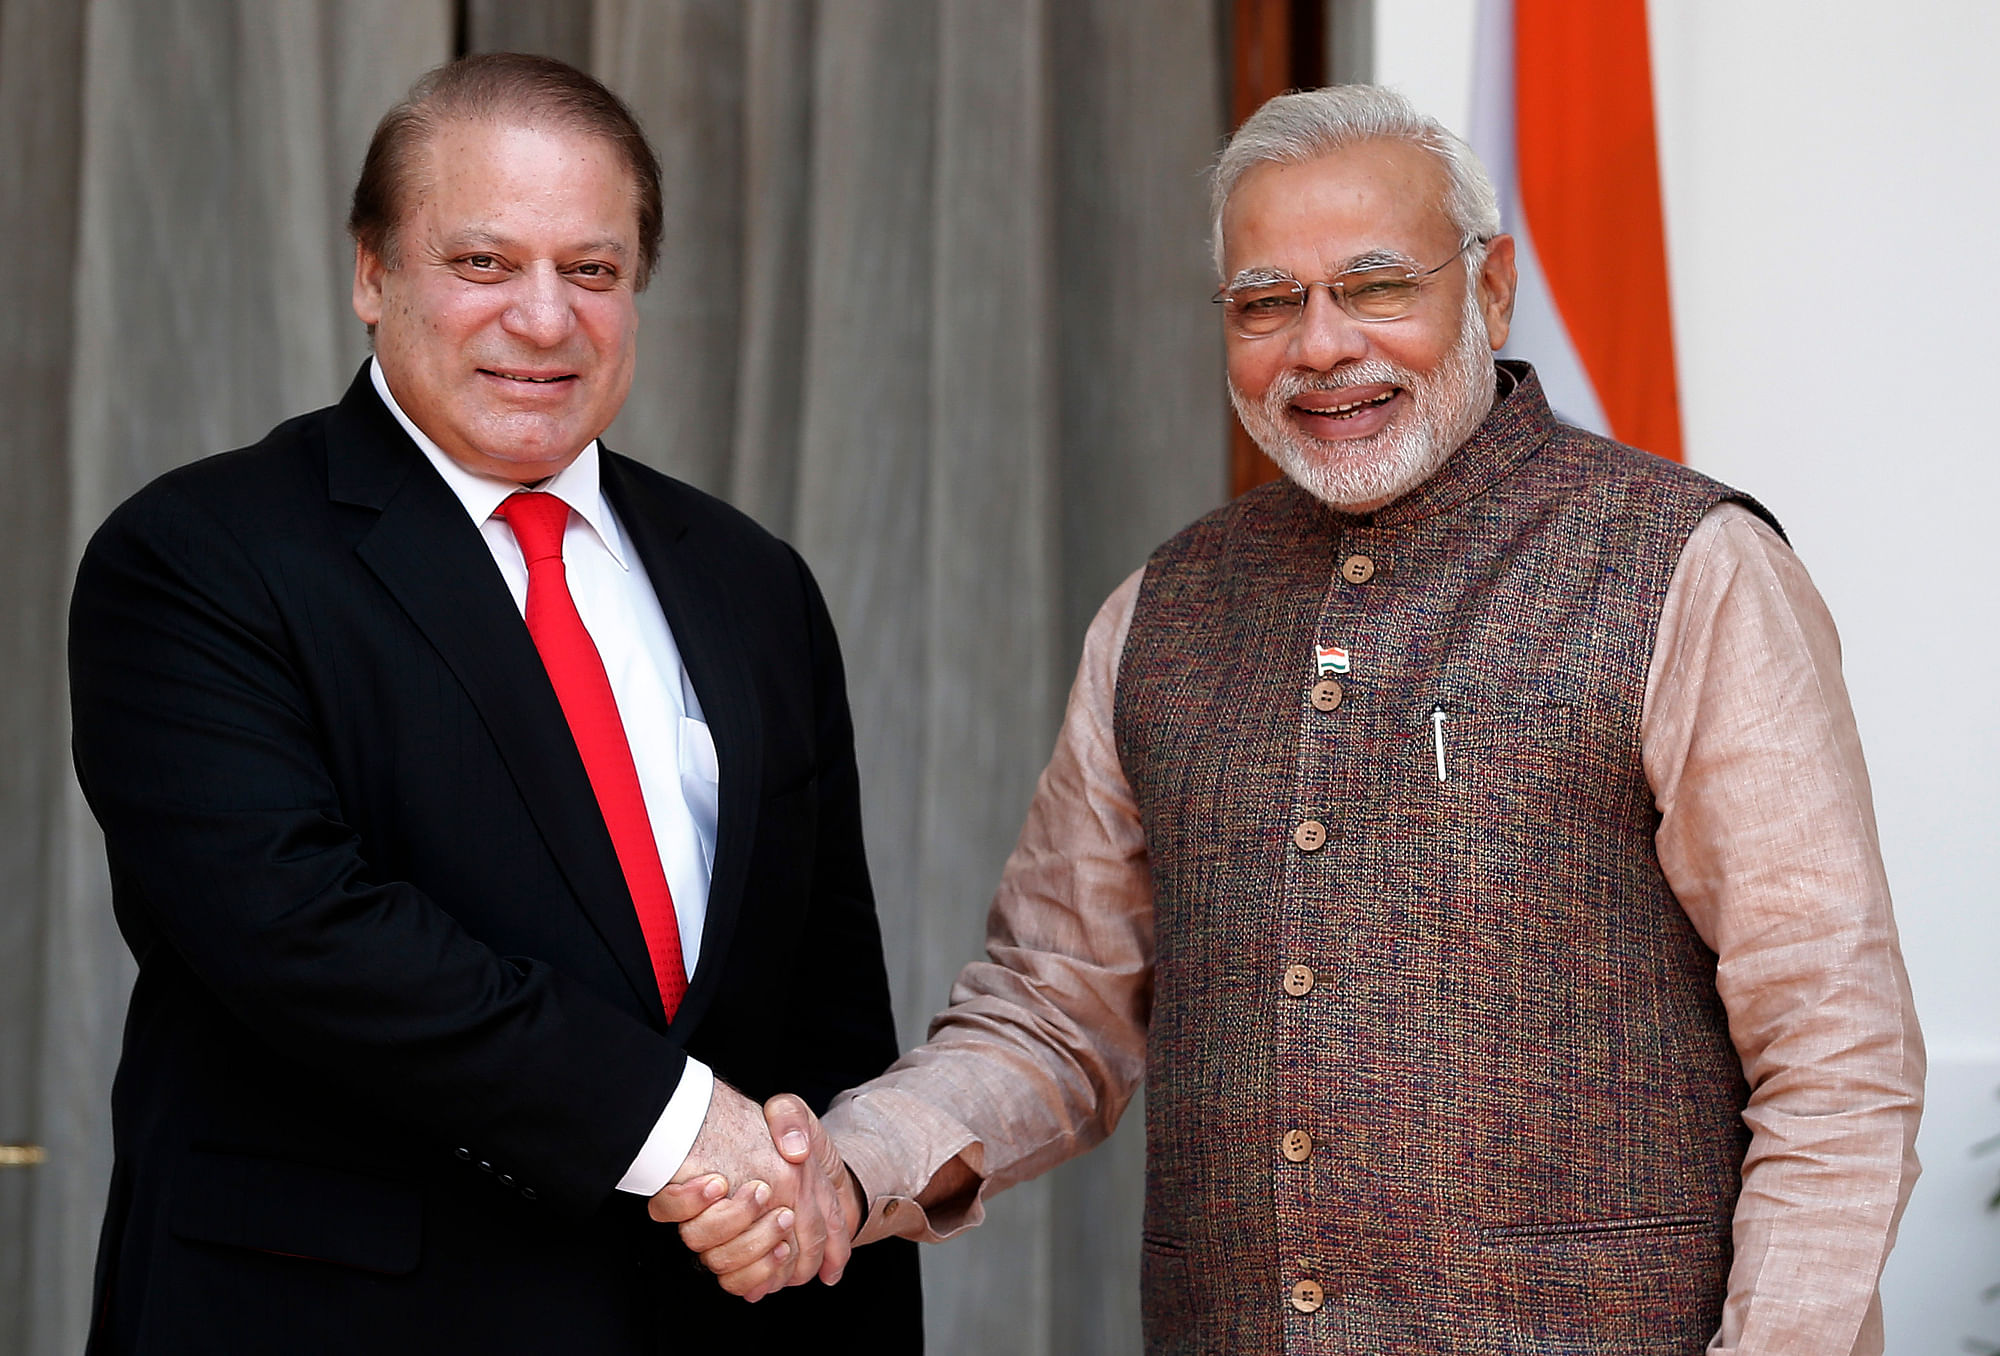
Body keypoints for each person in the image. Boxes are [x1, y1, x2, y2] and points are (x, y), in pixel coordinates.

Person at [665, 85, 1924, 1354]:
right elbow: (1054, 1008)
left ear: (1487, 291)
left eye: (1375, 287)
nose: (1319, 346)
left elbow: (1835, 1056)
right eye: (1267, 303)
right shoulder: (1159, 610)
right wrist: (846, 1166)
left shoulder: (1685, 569)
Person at [68, 52, 917, 1354]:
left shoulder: (751, 582)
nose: (543, 318)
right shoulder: (200, 556)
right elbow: (304, 934)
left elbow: (827, 1006)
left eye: (591, 270)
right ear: (371, 272)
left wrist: (818, 1200)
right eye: (483, 264)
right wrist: (688, 1128)